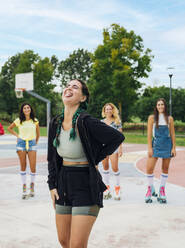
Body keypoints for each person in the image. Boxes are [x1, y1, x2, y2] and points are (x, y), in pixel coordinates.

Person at [47, 79, 124, 247]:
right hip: (63, 182)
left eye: (75, 87)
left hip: (85, 183)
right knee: (64, 241)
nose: (69, 88)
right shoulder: (55, 122)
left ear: (82, 98)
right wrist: (52, 185)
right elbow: (51, 157)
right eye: (67, 85)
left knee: (76, 245)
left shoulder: (86, 121)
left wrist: (94, 158)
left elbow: (117, 137)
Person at [145, 98, 176, 204]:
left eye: (162, 104)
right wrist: (149, 147)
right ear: (156, 106)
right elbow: (149, 134)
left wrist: (174, 147)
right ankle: (150, 188)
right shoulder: (152, 118)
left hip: (167, 145)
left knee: (165, 168)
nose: (160, 106)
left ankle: (162, 190)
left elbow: (172, 134)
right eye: (158, 104)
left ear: (165, 106)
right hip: (156, 145)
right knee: (149, 168)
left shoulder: (169, 119)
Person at [7, 103, 40, 199]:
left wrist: (35, 143)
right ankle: (24, 187)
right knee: (23, 166)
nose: (26, 109)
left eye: (28, 107)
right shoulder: (18, 120)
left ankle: (32, 186)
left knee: (33, 167)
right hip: (21, 144)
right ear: (22, 110)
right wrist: (18, 136)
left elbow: (37, 134)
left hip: (32, 144)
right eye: (24, 108)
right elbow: (9, 128)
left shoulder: (35, 121)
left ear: (30, 109)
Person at [101, 103, 123, 200]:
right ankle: (106, 188)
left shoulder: (117, 122)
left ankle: (117, 188)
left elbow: (121, 137)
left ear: (112, 110)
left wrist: (121, 149)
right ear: (104, 111)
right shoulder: (101, 122)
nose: (108, 111)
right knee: (105, 167)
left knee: (114, 168)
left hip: (114, 148)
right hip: (103, 147)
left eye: (110, 109)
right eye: (107, 109)